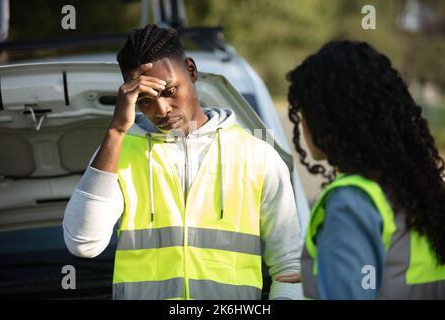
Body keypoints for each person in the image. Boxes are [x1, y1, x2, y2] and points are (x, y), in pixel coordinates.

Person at [63, 24, 303, 300]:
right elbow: (83, 243)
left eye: (169, 91)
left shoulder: (258, 155)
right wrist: (116, 131)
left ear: (191, 70)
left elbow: (289, 266)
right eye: (144, 100)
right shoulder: (118, 151)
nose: (161, 110)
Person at [286, 40, 445, 299]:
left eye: (306, 113)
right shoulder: (425, 195)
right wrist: (328, 270)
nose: (303, 125)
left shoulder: (353, 201)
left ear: (330, 119)